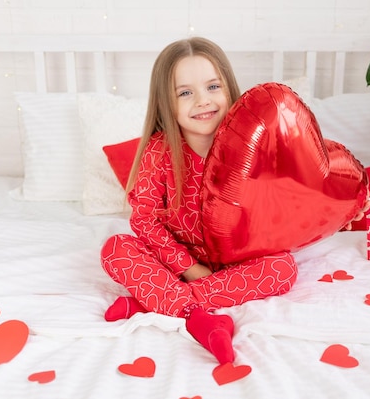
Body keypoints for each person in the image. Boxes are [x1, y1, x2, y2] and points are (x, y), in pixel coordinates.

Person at [99, 37, 300, 365]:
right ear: (167, 102)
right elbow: (145, 220)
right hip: (175, 263)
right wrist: (189, 269)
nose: (203, 101)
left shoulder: (253, 146)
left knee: (284, 268)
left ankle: (153, 303)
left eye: (212, 87)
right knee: (116, 248)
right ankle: (202, 319)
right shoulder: (159, 150)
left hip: (234, 263)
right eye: (185, 92)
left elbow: (282, 202)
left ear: (228, 89)